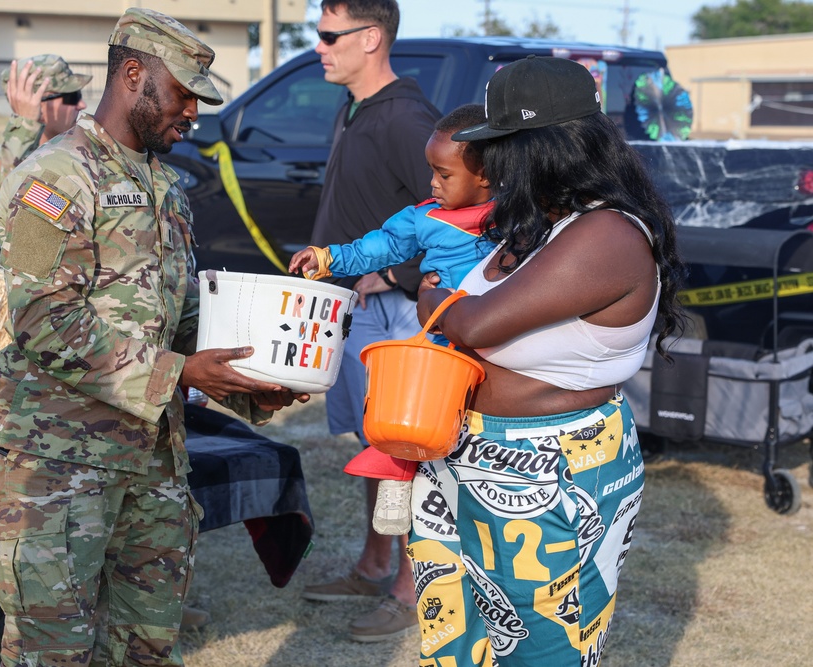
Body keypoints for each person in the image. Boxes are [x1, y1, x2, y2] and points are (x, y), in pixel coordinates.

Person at [0, 8, 306, 667]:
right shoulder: (53, 178)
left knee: (149, 647)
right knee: (53, 651)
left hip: (154, 463)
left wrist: (249, 382)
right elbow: (43, 318)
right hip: (62, 468)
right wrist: (181, 375)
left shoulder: (165, 186)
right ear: (134, 75)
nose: (194, 113)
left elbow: (179, 313)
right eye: (184, 94)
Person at [409, 55, 685, 666]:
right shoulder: (541, 222)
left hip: (550, 473)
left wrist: (432, 296)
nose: (489, 162)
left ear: (539, 145)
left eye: (500, 146)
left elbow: (474, 322)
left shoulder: (607, 233)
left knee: (544, 651)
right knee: (458, 646)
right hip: (465, 460)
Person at [298, 0, 441, 643]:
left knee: (404, 453)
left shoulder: (409, 119)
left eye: (330, 36)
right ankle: (374, 563)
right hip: (356, 313)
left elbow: (458, 216)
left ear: (372, 38)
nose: (320, 47)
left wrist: (397, 277)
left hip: (397, 317)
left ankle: (412, 591)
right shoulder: (357, 108)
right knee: (372, 448)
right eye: (319, 35)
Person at [289, 103, 496, 536]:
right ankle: (396, 485)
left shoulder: (516, 217)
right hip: (444, 339)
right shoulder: (423, 218)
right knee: (410, 411)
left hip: (497, 340)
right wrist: (327, 257)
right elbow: (378, 247)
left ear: (487, 176)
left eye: (445, 175)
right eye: (431, 172)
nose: (433, 184)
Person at [0, 54, 90, 231]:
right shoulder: (15, 155)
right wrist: (24, 127)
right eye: (72, 97)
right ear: (36, 103)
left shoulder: (87, 148)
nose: (82, 104)